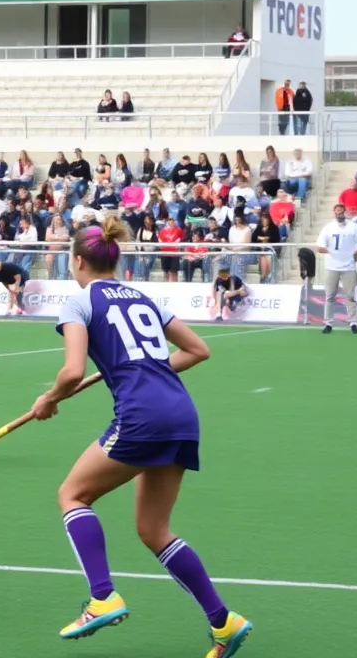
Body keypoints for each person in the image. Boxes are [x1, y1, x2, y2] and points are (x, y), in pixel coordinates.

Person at [31, 215, 252, 657]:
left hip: (142, 416)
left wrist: (50, 398)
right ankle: (224, 622)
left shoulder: (79, 301)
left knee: (73, 494)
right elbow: (198, 350)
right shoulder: (142, 296)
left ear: (77, 261)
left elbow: (73, 371)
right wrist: (147, 368)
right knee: (154, 530)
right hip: (181, 413)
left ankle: (102, 597)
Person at [315, 204, 357, 334]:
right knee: (330, 295)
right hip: (332, 266)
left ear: (345, 212)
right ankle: (328, 323)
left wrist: (355, 254)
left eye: (341, 212)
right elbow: (319, 247)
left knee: (350, 295)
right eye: (337, 213)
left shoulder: (353, 227)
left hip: (348, 266)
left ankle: (353, 322)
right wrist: (332, 251)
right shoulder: (328, 228)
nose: (339, 215)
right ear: (334, 213)